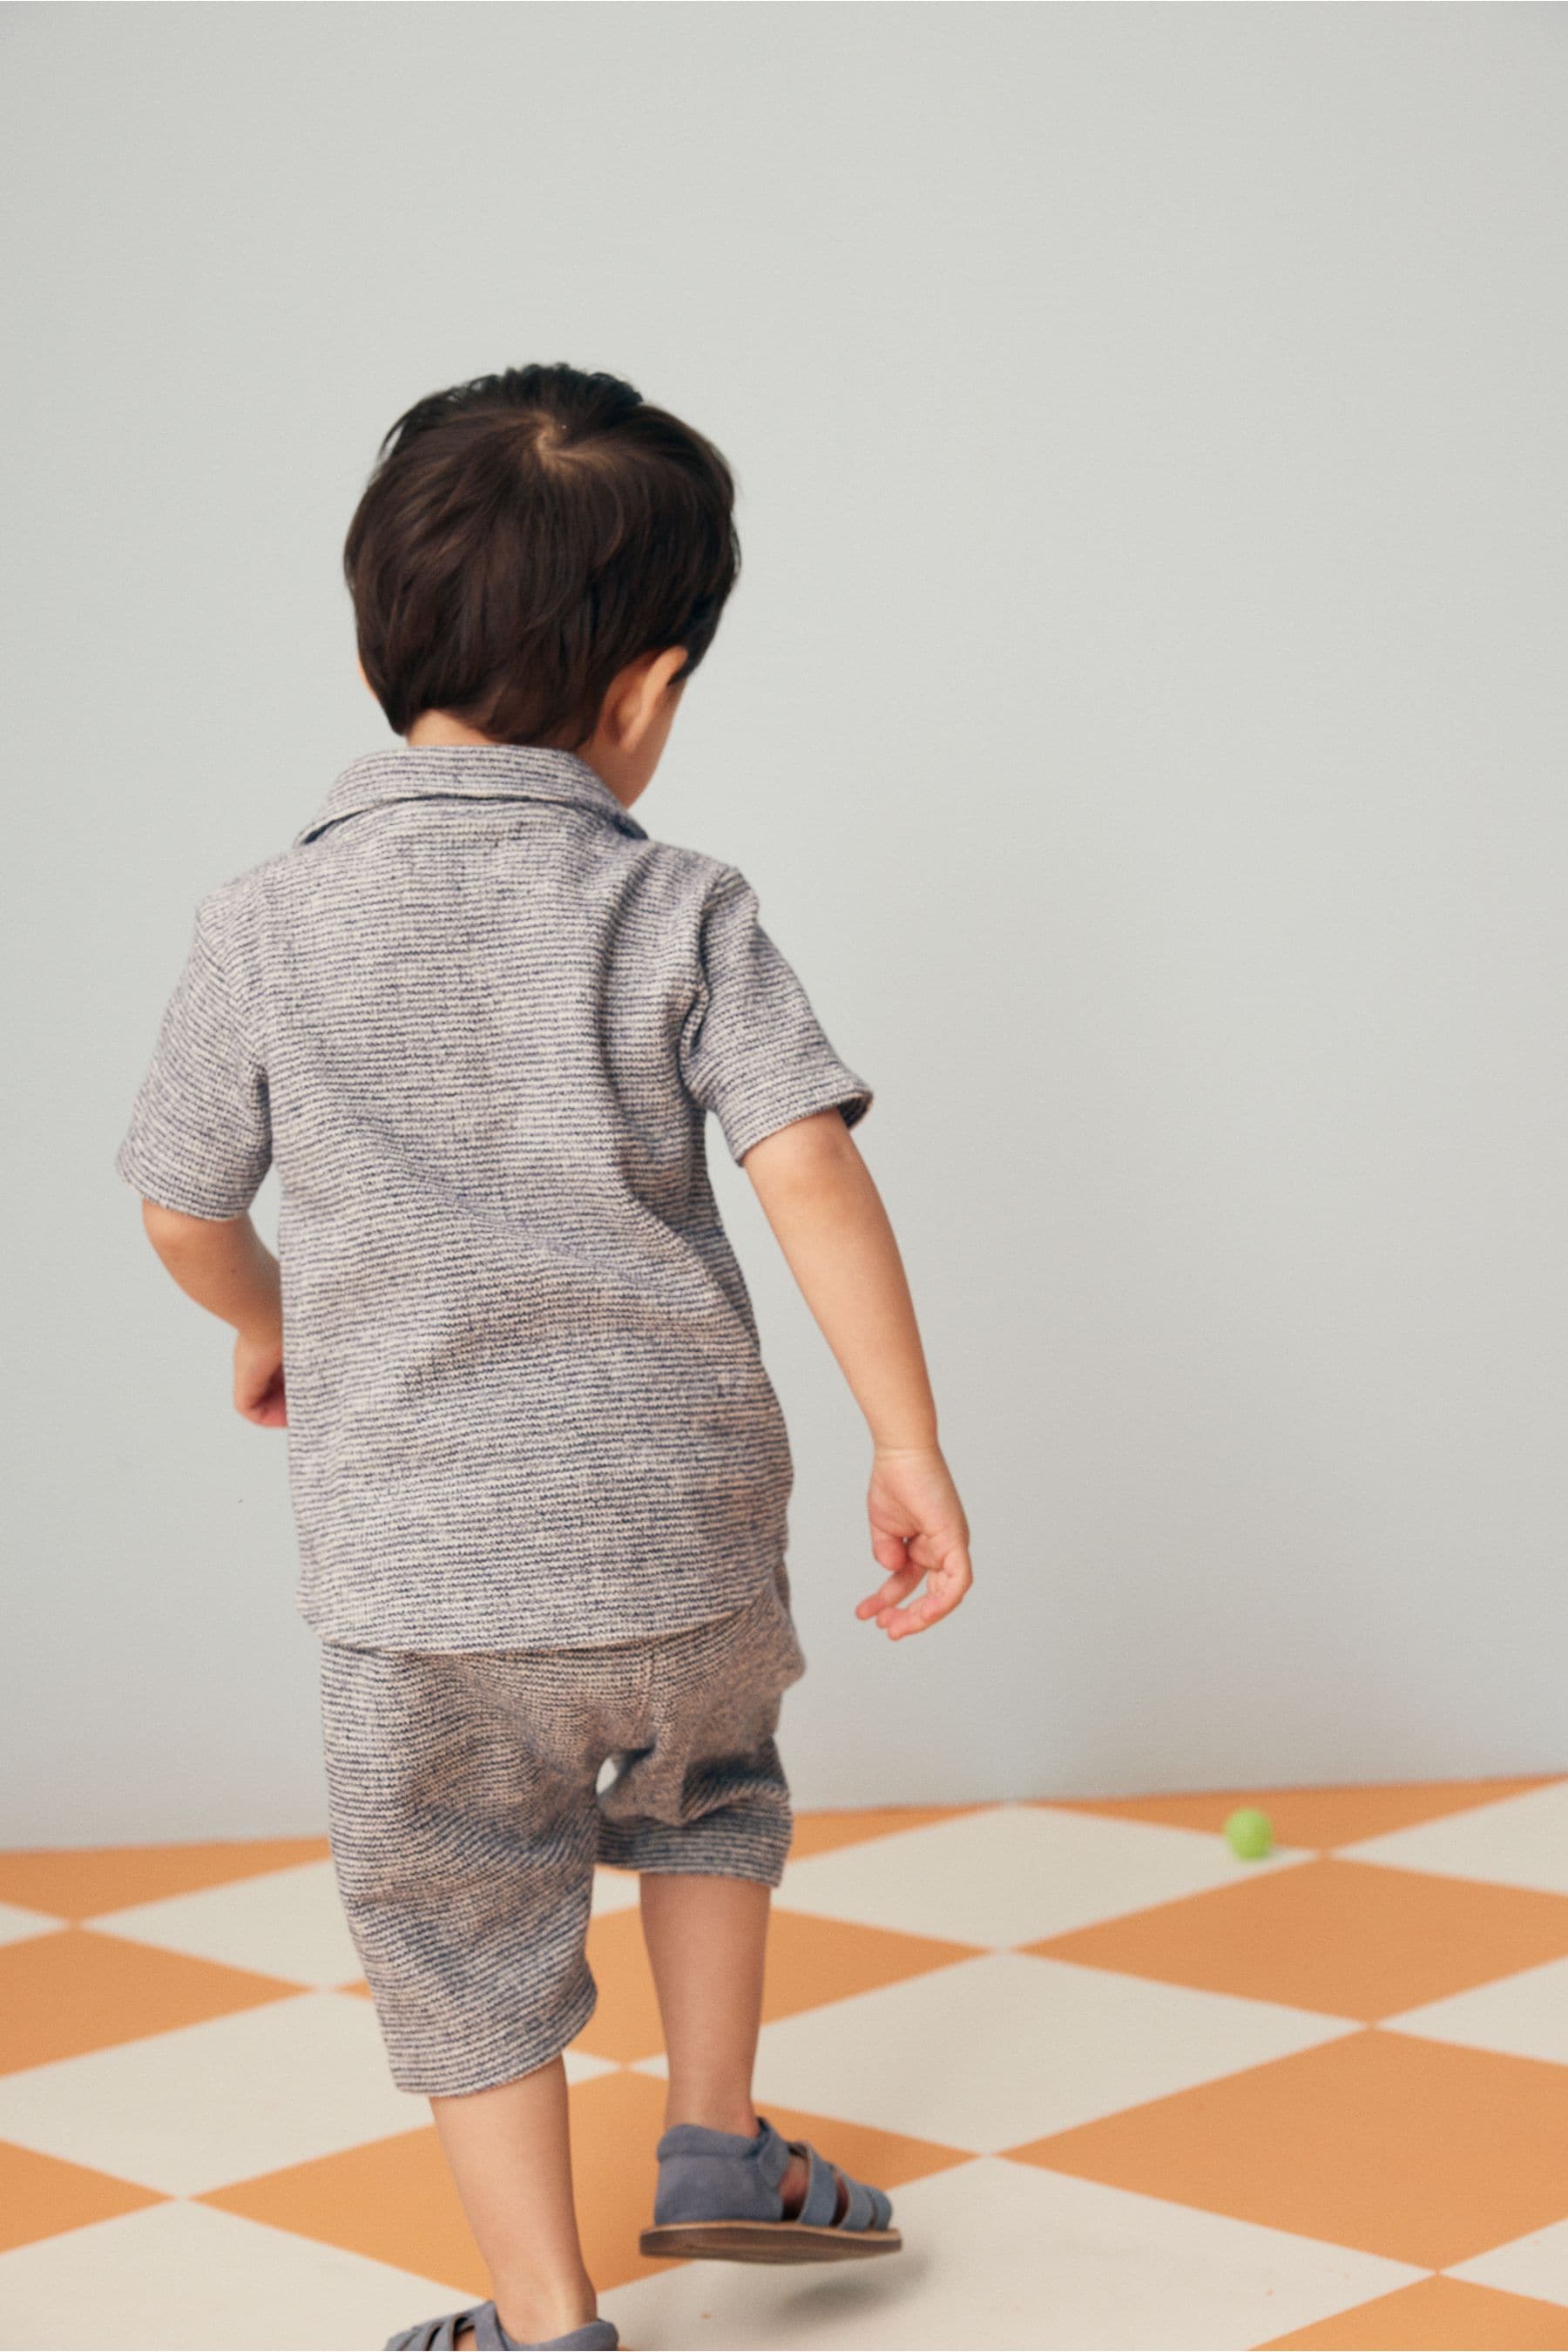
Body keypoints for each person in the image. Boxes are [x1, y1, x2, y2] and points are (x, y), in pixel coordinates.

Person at [116, 363, 974, 2352]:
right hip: (676, 1520)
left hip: (421, 1571)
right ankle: (714, 2141)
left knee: (456, 1911)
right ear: (648, 692)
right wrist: (905, 1436)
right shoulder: (677, 905)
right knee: (709, 1788)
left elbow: (175, 1202)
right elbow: (807, 1168)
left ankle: (541, 2318)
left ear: (376, 633)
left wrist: (270, 1327)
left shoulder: (264, 921)